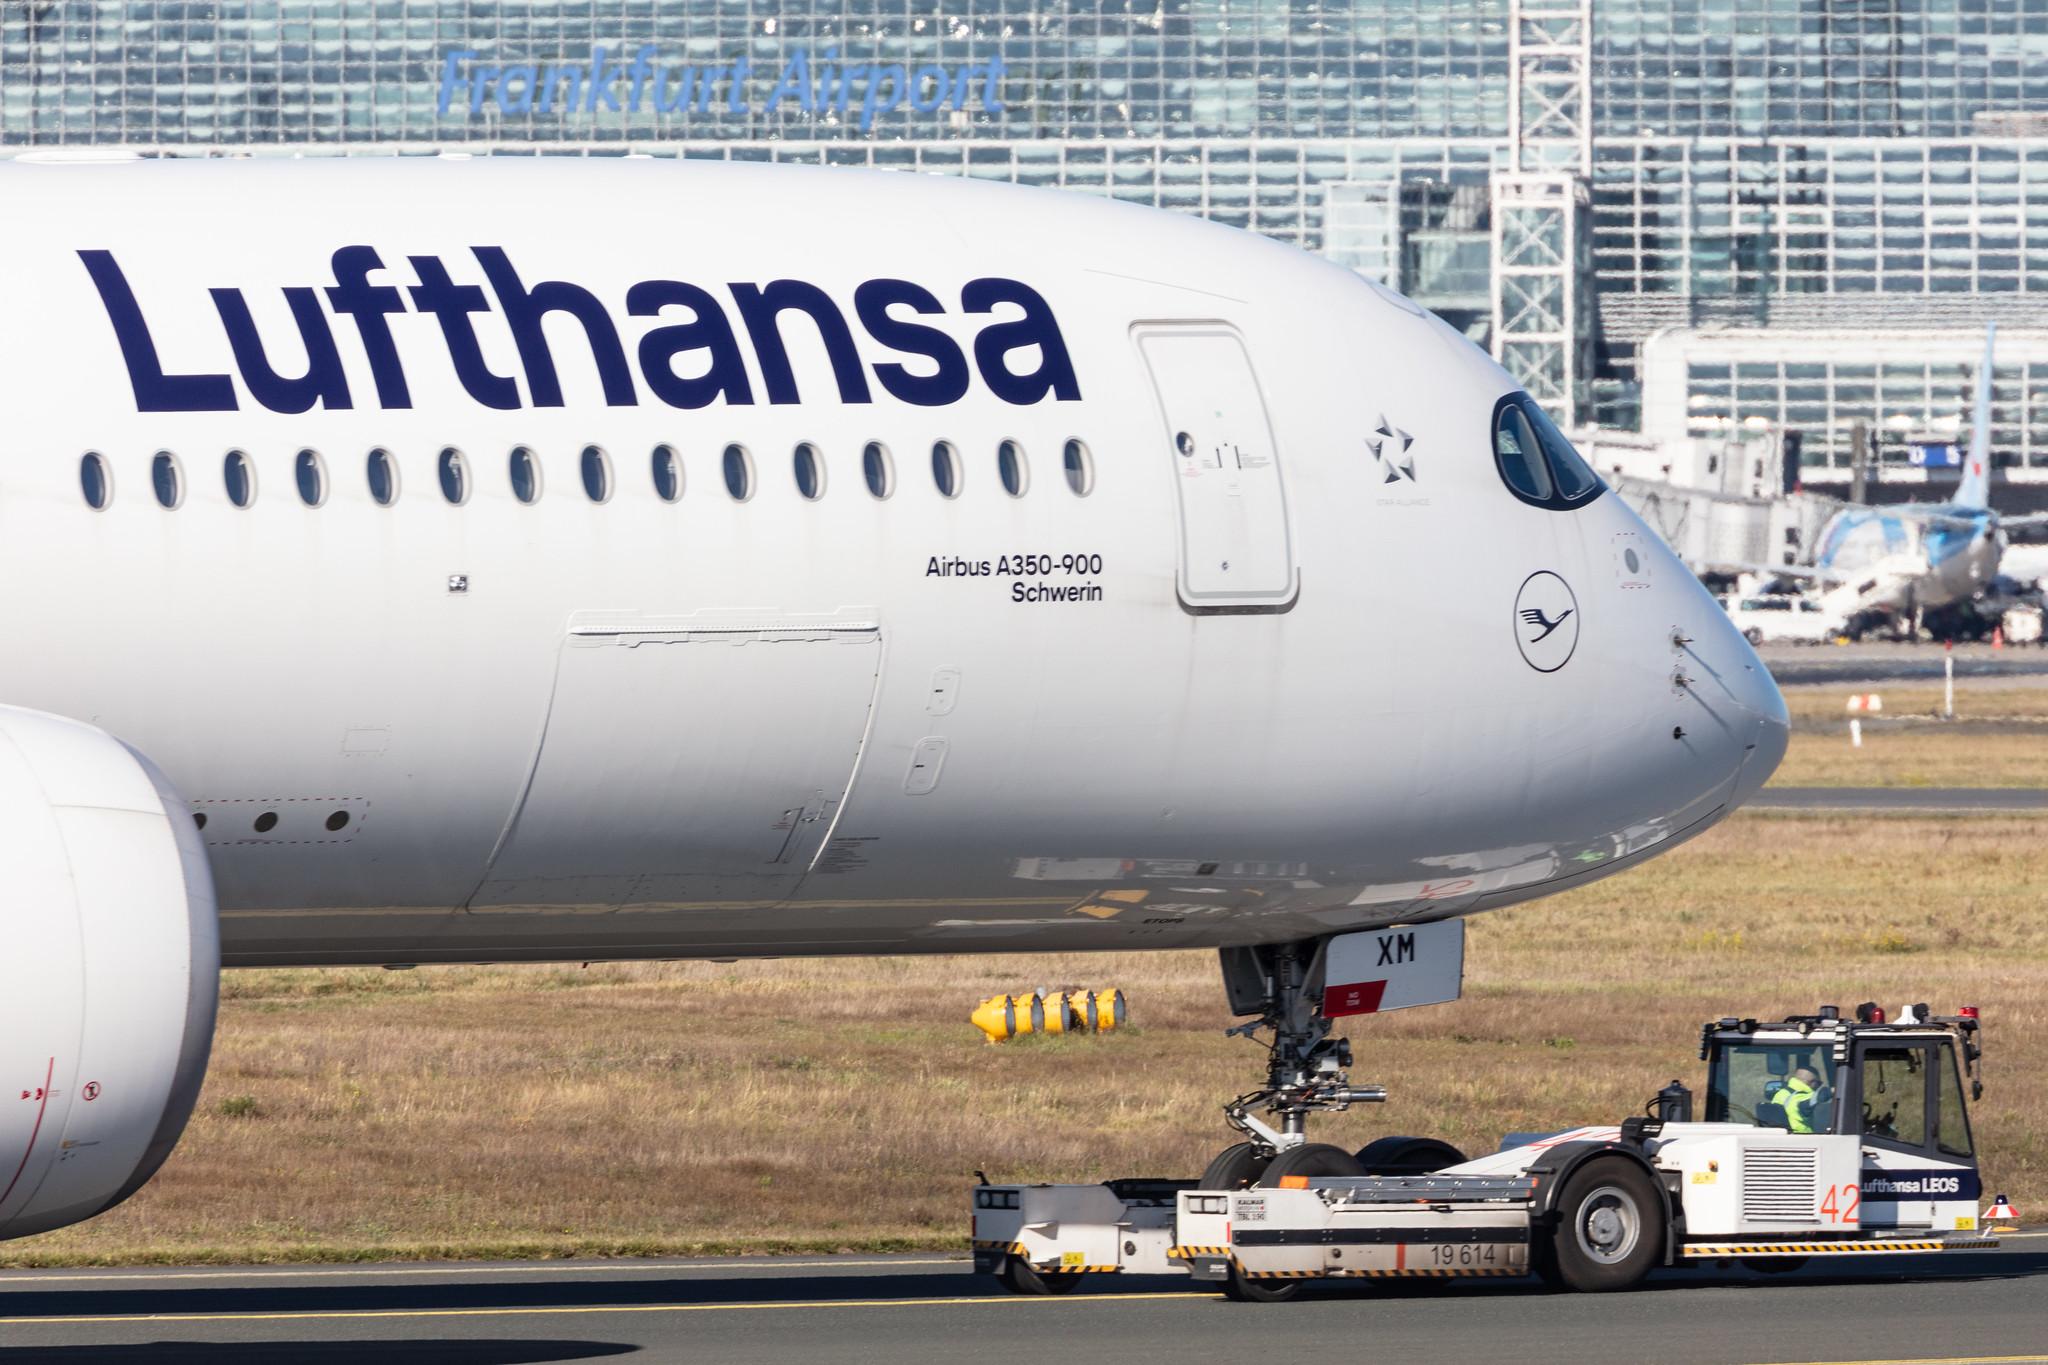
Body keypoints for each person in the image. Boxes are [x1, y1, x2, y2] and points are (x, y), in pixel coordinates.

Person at [1772, 1066, 1823, 1134]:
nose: (1819, 1087)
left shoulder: (1781, 1094)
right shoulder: (1803, 1097)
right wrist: (1832, 1091)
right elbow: (1821, 1096)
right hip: (1803, 1138)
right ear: (1812, 1082)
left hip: (1782, 1135)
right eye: (1819, 1083)